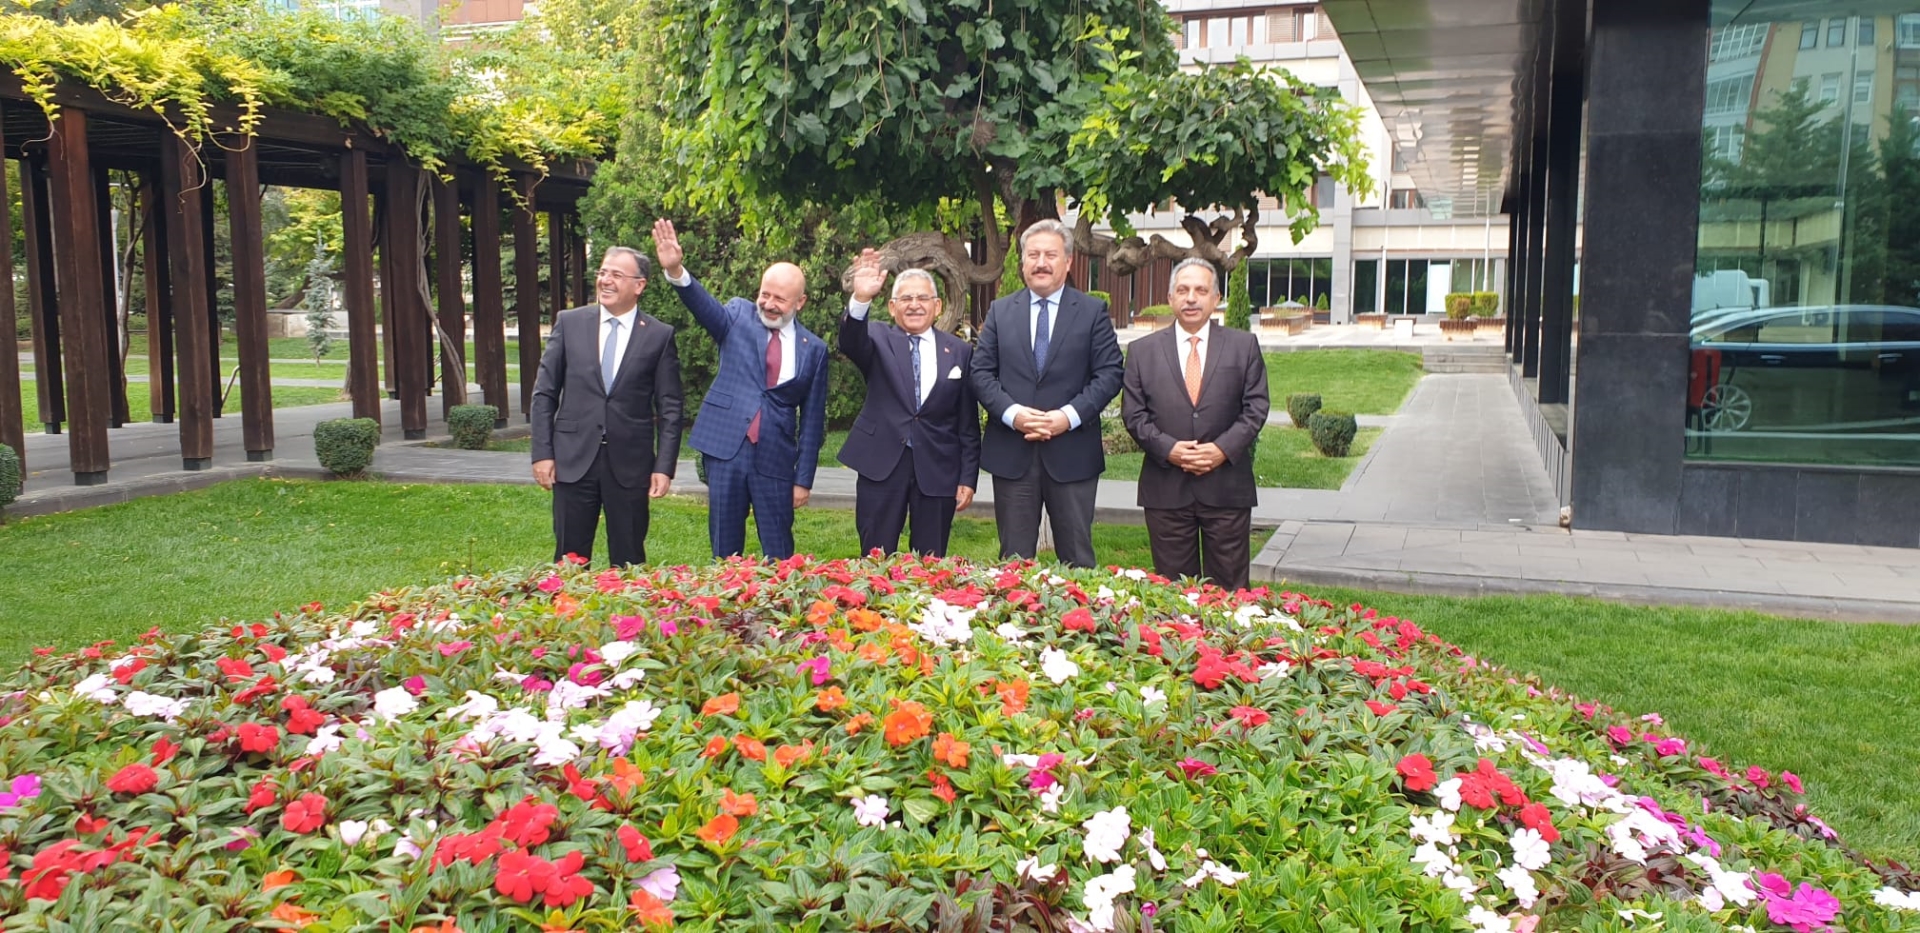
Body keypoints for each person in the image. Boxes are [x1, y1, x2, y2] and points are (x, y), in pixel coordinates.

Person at [652, 218, 829, 559]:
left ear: (800, 302)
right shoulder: (737, 315)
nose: (769, 304)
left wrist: (803, 479)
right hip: (726, 450)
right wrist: (677, 271)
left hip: (776, 458)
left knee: (779, 551)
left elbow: (812, 422)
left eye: (780, 298)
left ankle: (777, 604)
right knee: (724, 547)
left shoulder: (815, 350)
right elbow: (704, 307)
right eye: (765, 294)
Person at [969, 219, 1124, 567]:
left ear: (1068, 262)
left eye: (1050, 255)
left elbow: (1110, 373)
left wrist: (1065, 418)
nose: (1041, 262)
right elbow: (980, 373)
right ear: (1022, 262)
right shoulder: (1000, 311)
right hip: (1012, 454)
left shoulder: (1091, 312)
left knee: (1078, 560)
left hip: (1072, 454)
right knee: (1013, 562)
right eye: (1033, 254)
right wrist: (1014, 415)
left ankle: (1081, 620)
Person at [1120, 258, 1270, 591]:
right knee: (1175, 594)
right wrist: (1169, 449)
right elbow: (1133, 413)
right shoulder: (1142, 352)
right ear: (1170, 297)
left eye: (1201, 290)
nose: (1191, 298)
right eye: (1183, 290)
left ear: (1216, 298)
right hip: (1166, 489)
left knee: (1230, 593)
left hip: (1227, 489)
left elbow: (1256, 407)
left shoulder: (1242, 346)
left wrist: (1221, 450)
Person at [529, 246, 684, 566]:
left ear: (639, 285)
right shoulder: (569, 323)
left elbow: (670, 408)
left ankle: (626, 617)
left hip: (630, 465)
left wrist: (663, 466)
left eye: (616, 275)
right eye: (602, 273)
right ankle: (568, 613)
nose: (605, 281)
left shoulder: (659, 335)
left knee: (628, 561)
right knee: (569, 560)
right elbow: (544, 393)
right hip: (572, 460)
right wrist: (542, 453)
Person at [837, 251, 980, 556]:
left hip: (938, 468)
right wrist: (861, 298)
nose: (915, 305)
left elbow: (967, 422)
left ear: (937, 305)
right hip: (882, 465)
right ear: (892, 307)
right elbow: (850, 340)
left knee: (930, 561)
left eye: (923, 298)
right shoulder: (876, 337)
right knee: (875, 557)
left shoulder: (958, 352)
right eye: (906, 299)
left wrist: (968, 477)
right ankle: (875, 605)